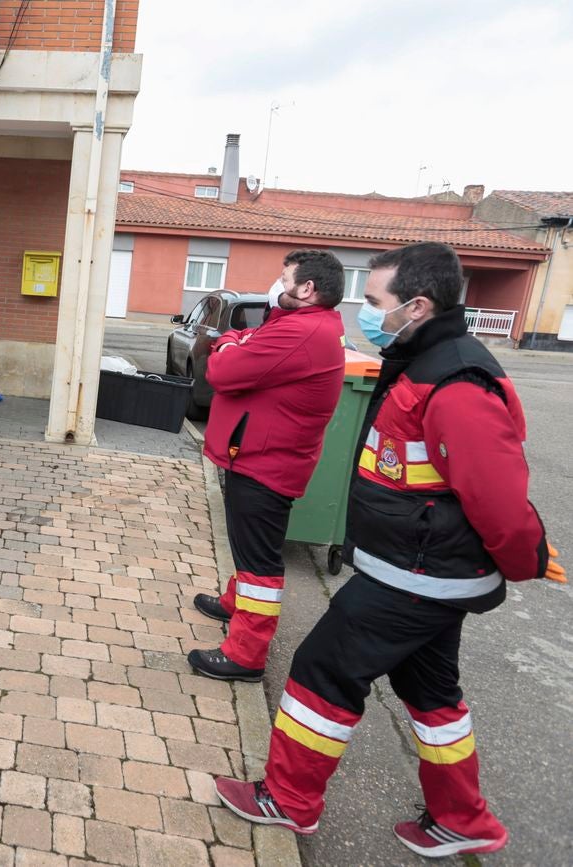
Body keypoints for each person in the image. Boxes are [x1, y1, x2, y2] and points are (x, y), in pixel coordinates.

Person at [213, 242, 564, 858]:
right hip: (419, 570)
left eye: (376, 303)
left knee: (322, 672)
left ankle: (289, 802)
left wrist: (524, 556)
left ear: (418, 305)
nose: (369, 314)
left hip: (418, 575)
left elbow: (498, 495)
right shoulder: (421, 360)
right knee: (432, 695)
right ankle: (464, 819)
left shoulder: (455, 380)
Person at [188, 249, 347, 682]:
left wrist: (228, 341)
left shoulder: (302, 332)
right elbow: (250, 349)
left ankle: (246, 654)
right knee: (248, 548)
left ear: (307, 289)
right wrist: (242, 342)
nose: (277, 283)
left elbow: (222, 371)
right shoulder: (304, 326)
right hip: (263, 458)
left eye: (284, 277)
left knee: (259, 563)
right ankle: (233, 603)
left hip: (264, 465)